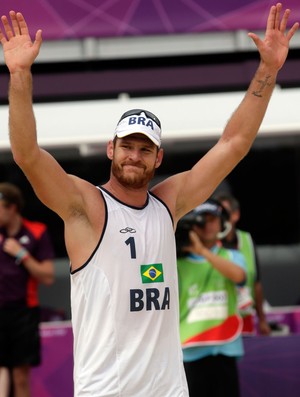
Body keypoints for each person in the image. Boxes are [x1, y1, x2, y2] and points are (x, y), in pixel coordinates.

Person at [0, 4, 298, 397]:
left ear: (158, 157)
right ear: (111, 148)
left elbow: (234, 144)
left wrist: (268, 71)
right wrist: (20, 75)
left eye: (145, 149)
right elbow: (27, 155)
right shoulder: (86, 206)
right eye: (127, 146)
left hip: (169, 390)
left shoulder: (168, 204)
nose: (134, 156)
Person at [176, 199, 246, 397]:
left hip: (225, 347)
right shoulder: (177, 263)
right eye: (201, 221)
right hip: (190, 348)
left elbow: (240, 277)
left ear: (222, 223)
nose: (207, 225)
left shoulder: (232, 256)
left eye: (212, 219)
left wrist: (203, 252)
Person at [0, 182, 55, 397]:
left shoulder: (36, 232)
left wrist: (21, 254)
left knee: (20, 377)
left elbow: (48, 276)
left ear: (11, 208)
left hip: (24, 312)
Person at [213, 191, 271, 335]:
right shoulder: (208, 245)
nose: (221, 219)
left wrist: (262, 319)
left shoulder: (247, 240)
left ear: (235, 215)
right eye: (217, 214)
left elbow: (256, 282)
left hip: (245, 319)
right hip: (218, 321)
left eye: (224, 213)